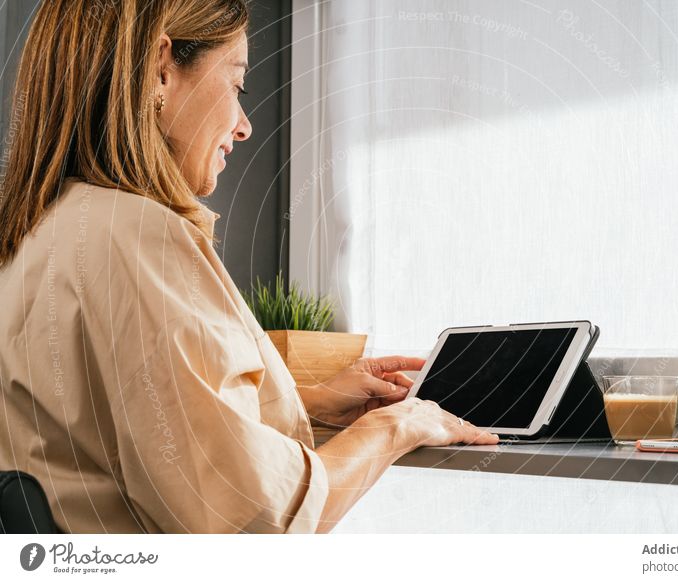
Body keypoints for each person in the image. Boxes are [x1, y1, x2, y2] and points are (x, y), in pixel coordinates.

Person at [0, 0, 498, 534]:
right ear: (161, 71)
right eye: (237, 85)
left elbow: (107, 435)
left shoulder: (39, 232)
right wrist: (398, 424)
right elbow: (254, 518)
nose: (244, 127)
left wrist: (302, 404)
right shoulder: (139, 238)